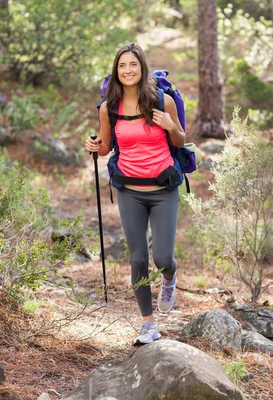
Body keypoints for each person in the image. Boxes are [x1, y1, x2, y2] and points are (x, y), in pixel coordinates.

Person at [84, 43, 186, 346]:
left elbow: (180, 141)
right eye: (121, 66)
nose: (127, 71)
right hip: (130, 190)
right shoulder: (109, 108)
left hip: (163, 189)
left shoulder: (161, 101)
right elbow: (106, 146)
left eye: (133, 65)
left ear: (141, 68)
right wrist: (94, 147)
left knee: (163, 257)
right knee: (138, 258)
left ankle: (169, 279)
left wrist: (170, 126)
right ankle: (147, 324)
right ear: (116, 72)